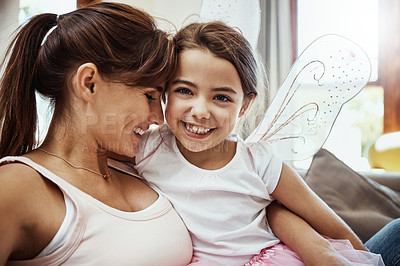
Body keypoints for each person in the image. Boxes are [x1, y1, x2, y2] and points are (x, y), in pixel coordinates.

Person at [125, 21, 384, 265]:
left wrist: (359, 258)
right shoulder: (147, 148)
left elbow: (330, 224)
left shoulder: (256, 160)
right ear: (165, 92)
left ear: (244, 106)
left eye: (221, 98)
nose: (201, 111)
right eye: (185, 91)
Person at [0, 2, 193, 265]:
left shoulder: (143, 164)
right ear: (89, 83)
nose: (159, 118)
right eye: (150, 95)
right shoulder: (15, 188)